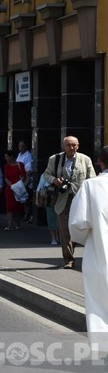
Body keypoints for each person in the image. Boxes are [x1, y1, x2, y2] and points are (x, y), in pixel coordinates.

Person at [69, 145, 108, 354]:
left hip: (100, 253)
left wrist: (87, 238)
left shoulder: (91, 187)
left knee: (100, 307)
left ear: (99, 162)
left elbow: (77, 224)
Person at [43, 136, 96, 269]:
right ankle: (68, 259)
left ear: (78, 146)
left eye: (74, 145)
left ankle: (85, 254)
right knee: (64, 230)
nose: (71, 148)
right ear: (63, 146)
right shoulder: (54, 159)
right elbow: (46, 174)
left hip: (80, 199)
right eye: (68, 145)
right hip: (62, 200)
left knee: (81, 228)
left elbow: (92, 178)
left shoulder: (85, 159)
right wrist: (55, 180)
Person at [2, 149, 26, 230]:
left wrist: (17, 185)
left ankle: (17, 223)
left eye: (6, 157)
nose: (5, 158)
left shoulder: (20, 165)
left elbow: (23, 176)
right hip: (9, 188)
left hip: (18, 187)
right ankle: (9, 224)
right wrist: (11, 186)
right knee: (9, 206)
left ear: (11, 157)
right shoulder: (6, 166)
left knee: (18, 205)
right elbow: (5, 177)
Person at [35, 172, 59, 245]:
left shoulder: (61, 172)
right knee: (51, 218)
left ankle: (58, 237)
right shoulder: (44, 175)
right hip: (49, 198)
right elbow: (38, 188)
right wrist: (37, 200)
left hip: (60, 197)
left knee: (59, 218)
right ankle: (53, 238)